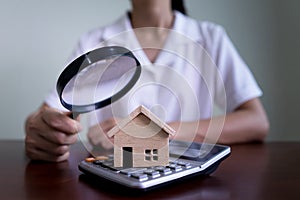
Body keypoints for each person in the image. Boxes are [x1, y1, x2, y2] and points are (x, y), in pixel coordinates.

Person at [25, 0, 269, 162]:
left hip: (189, 174)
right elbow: (47, 115)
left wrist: (157, 131)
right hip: (115, 178)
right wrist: (41, 131)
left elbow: (256, 121)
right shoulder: (94, 41)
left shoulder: (210, 37)